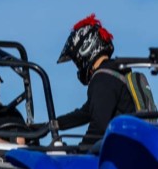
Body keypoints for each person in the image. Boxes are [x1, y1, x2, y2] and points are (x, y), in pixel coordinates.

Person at [56, 14, 136, 146]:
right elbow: (86, 113)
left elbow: (98, 128)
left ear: (85, 51)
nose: (78, 66)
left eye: (77, 61)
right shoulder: (115, 74)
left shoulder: (102, 79)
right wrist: (52, 124)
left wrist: (77, 154)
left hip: (122, 156)